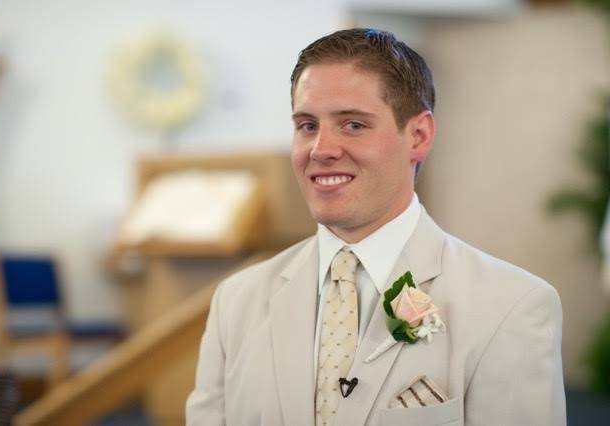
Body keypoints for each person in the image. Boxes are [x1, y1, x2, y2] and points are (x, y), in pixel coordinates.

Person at [186, 28, 566, 426]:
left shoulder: (511, 306)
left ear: (418, 135)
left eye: (353, 125)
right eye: (307, 125)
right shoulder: (236, 301)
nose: (322, 149)